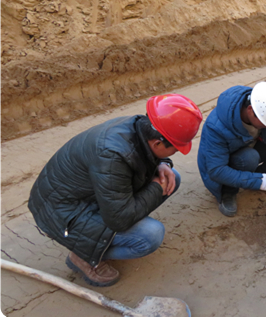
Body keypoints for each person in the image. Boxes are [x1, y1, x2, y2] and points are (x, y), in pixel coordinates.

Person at [28, 94, 203, 287]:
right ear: (158, 143)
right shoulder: (113, 156)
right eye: (175, 149)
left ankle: (99, 240)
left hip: (84, 195)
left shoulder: (140, 127)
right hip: (63, 212)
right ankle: (83, 257)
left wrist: (162, 162)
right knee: (150, 236)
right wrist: (154, 188)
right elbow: (119, 219)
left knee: (171, 176)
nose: (177, 151)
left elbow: (145, 157)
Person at [197, 82, 266, 217]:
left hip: (249, 149)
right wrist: (260, 182)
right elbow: (216, 170)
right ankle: (228, 192)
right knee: (249, 157)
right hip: (225, 167)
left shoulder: (264, 105)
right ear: (250, 111)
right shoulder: (216, 127)